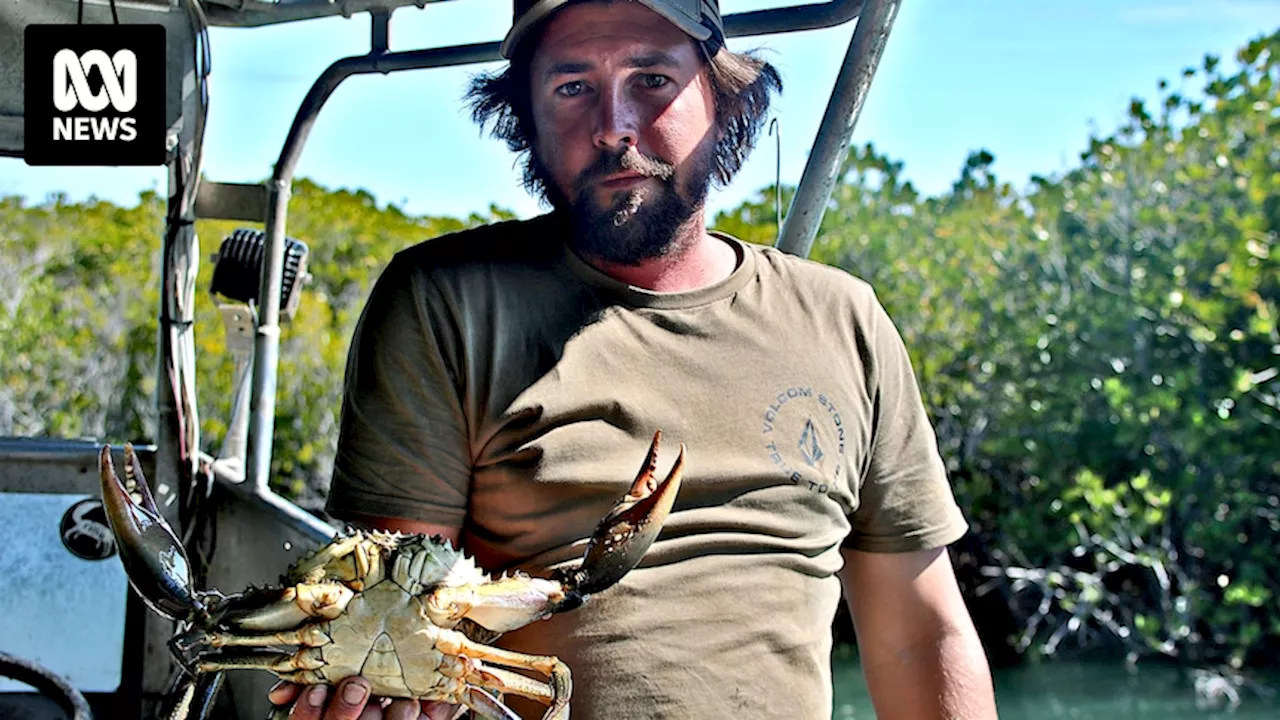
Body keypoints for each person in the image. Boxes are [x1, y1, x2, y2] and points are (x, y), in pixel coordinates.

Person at [271, 1, 998, 718]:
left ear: (722, 94)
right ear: (524, 114)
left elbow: (918, 632)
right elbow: (399, 617)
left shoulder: (843, 319)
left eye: (651, 79)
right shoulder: (447, 303)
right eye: (572, 87)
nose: (613, 126)